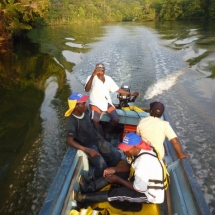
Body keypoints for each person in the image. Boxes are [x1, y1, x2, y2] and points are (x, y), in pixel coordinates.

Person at [73, 132, 167, 209]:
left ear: (137, 147)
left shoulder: (143, 163)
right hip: (142, 181)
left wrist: (117, 179)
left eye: (127, 150)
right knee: (113, 174)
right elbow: (130, 166)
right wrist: (114, 170)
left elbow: (138, 189)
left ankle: (83, 198)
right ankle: (88, 188)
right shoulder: (140, 151)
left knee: (118, 193)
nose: (124, 152)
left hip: (150, 194)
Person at [64, 92, 121, 179]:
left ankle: (106, 171)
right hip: (88, 145)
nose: (86, 105)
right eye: (83, 103)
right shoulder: (72, 121)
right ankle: (93, 177)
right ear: (75, 106)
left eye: (85, 102)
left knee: (117, 156)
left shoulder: (85, 111)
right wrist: (88, 150)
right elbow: (70, 141)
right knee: (102, 166)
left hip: (97, 139)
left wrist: (101, 137)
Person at [85, 63, 140, 137]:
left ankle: (106, 131)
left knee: (116, 119)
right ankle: (101, 137)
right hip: (95, 103)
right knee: (95, 120)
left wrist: (131, 94)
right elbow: (86, 89)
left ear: (104, 70)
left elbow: (118, 89)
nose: (100, 71)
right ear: (95, 70)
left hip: (106, 102)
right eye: (98, 69)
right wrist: (92, 75)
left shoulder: (108, 79)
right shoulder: (90, 78)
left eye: (102, 69)